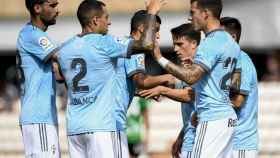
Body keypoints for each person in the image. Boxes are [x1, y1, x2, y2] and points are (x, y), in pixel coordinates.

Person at [56, 0, 165, 157]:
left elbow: (63, 78)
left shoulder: (65, 48)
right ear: (95, 20)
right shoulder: (105, 43)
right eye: (106, 17)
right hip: (104, 126)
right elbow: (146, 44)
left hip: (75, 129)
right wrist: (152, 13)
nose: (110, 22)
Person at [151, 0, 241, 157]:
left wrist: (159, 58)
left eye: (192, 12)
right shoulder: (231, 43)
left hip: (212, 120)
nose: (190, 17)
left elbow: (191, 77)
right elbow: (235, 84)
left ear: (205, 13)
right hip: (228, 119)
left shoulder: (209, 44)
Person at [114, 10, 175, 158]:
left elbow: (118, 85)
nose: (158, 35)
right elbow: (142, 81)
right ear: (142, 29)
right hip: (111, 123)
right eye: (156, 30)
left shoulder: (120, 45)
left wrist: (141, 93)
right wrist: (166, 77)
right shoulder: (133, 50)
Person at [139, 23, 200, 158]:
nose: (175, 49)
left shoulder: (199, 67)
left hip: (199, 139)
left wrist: (162, 90)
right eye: (174, 44)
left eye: (180, 44)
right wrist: (182, 135)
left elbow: (190, 96)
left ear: (194, 43)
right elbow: (192, 108)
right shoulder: (186, 67)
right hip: (190, 137)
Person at [16, 0, 61, 157]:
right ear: (37, 8)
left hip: (40, 116)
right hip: (39, 116)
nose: (57, 10)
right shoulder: (33, 35)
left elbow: (58, 71)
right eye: (52, 6)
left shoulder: (31, 34)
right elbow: (63, 57)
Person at [221, 16, 259, 158]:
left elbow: (238, 101)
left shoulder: (242, 61)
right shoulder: (227, 61)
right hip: (229, 142)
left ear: (232, 37)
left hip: (241, 144)